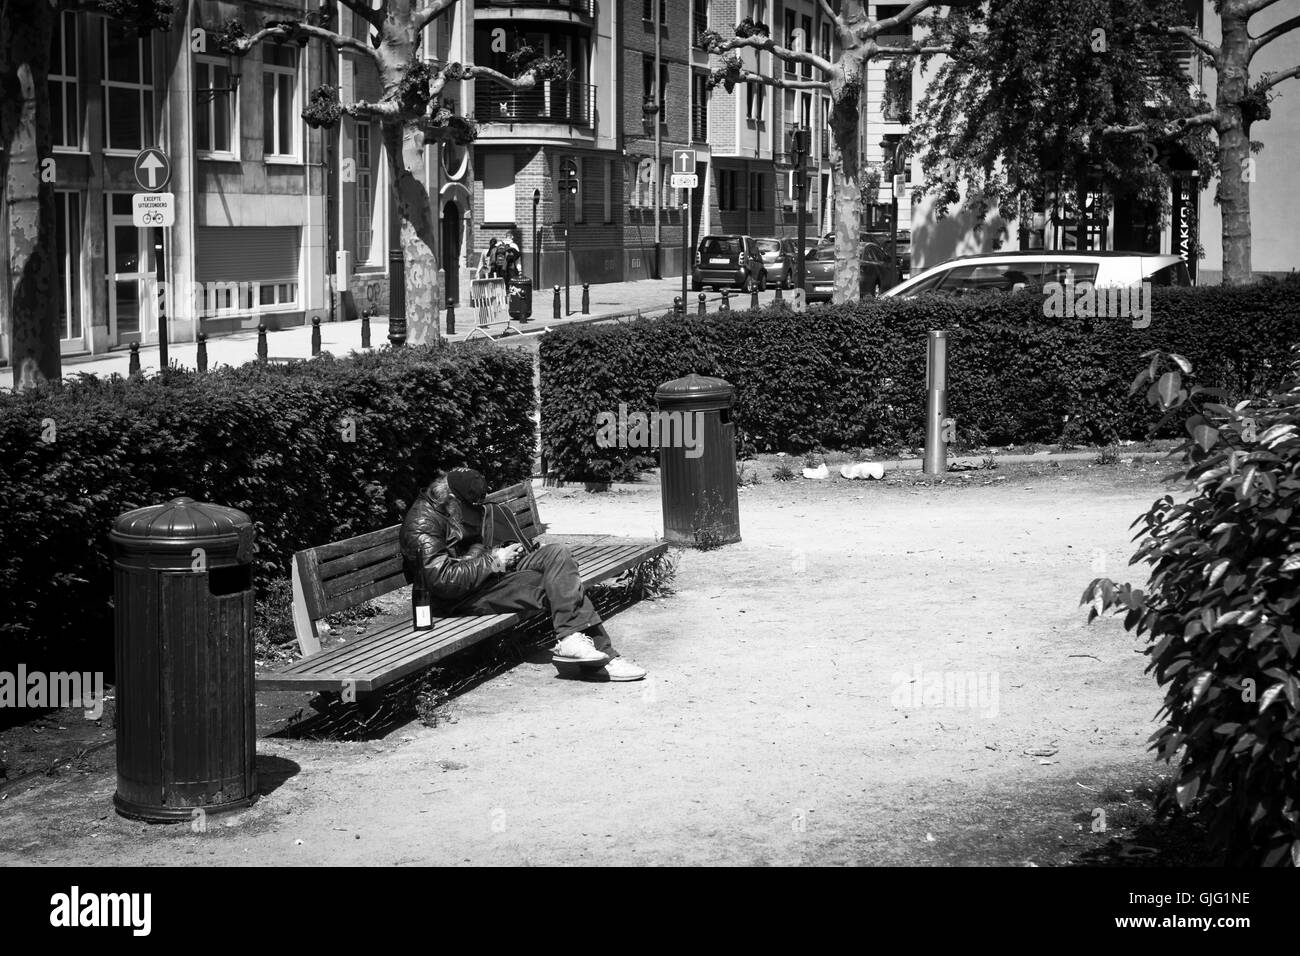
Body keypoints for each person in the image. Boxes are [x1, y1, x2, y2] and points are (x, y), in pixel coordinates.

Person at [399, 467, 647, 681]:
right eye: (468, 506)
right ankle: (604, 659)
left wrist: (496, 553)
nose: (474, 512)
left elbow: (474, 544)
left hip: (485, 575)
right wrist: (494, 560)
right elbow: (442, 580)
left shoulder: (453, 509)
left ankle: (572, 638)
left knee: (557, 553)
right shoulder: (422, 523)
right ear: (451, 497)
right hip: (456, 598)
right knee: (551, 586)